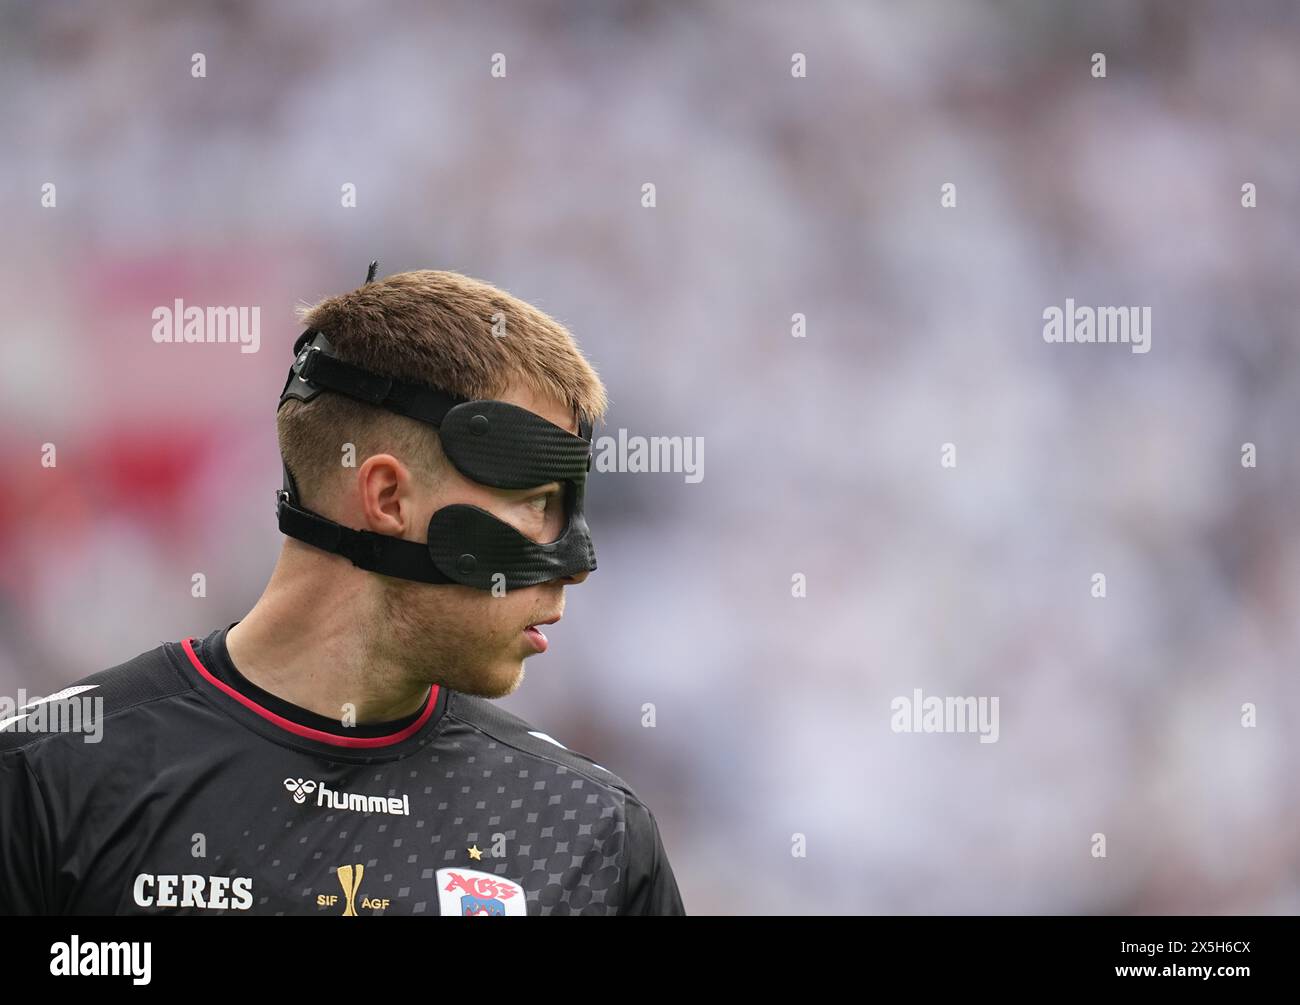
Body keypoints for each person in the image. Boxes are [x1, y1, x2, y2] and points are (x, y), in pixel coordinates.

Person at [0, 268, 685, 916]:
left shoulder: (588, 833)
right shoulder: (45, 781)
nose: (574, 565)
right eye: (536, 502)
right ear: (387, 497)